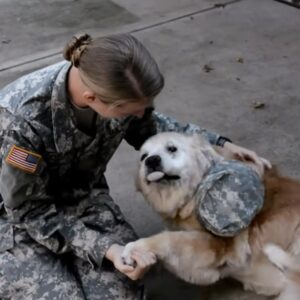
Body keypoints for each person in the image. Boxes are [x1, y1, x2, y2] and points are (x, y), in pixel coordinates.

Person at [0, 33, 269, 300]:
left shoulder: (113, 87)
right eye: (129, 111)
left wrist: (220, 144)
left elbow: (151, 126)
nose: (139, 115)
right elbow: (28, 211)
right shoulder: (22, 122)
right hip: (16, 219)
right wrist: (107, 248)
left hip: (82, 200)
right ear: (91, 98)